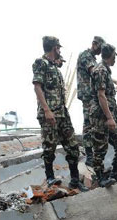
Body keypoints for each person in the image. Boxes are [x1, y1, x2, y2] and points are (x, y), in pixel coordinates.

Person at [32, 35, 86, 190]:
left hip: (63, 114)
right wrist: (47, 110)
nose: (60, 50)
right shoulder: (40, 63)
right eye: (59, 48)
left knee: (72, 146)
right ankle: (50, 178)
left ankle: (75, 181)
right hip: (49, 114)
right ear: (55, 47)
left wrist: (57, 61)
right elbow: (37, 87)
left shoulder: (53, 66)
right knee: (49, 148)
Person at [88, 43, 117, 188]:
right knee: (100, 148)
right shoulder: (100, 70)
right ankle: (100, 177)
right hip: (101, 115)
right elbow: (100, 95)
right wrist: (109, 118)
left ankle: (116, 172)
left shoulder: (106, 70)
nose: (115, 59)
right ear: (110, 55)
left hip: (110, 114)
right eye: (114, 56)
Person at [76, 36, 105, 165]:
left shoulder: (92, 58)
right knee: (88, 124)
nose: (100, 51)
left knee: (94, 123)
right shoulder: (86, 55)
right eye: (100, 48)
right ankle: (89, 156)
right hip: (87, 94)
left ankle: (93, 154)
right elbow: (94, 72)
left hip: (91, 94)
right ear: (94, 44)